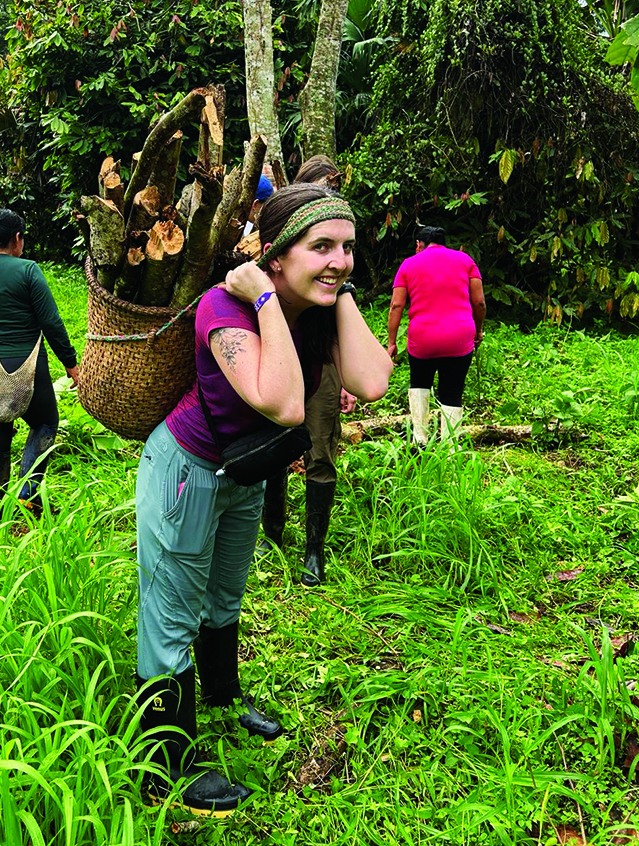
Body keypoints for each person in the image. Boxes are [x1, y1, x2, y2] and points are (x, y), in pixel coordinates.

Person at [135, 184, 393, 816]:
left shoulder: (321, 305)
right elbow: (281, 402)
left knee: (224, 595)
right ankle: (163, 764)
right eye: (321, 247)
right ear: (276, 256)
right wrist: (269, 300)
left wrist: (340, 291)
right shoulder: (223, 308)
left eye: (348, 248)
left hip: (246, 472)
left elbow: (373, 380)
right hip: (186, 471)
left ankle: (222, 699)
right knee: (173, 613)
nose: (339, 260)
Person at [260, 154, 356, 588]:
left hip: (322, 359)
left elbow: (345, 326)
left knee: (321, 451)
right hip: (281, 356)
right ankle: (272, 532)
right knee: (275, 449)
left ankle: (314, 549)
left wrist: (343, 376)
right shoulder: (289, 239)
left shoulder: (337, 249)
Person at [0, 206, 79, 517]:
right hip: (29, 365)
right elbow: (51, 322)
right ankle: (29, 496)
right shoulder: (28, 271)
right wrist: (70, 363)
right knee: (45, 423)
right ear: (17, 239)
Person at [386, 225, 486, 445]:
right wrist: (478, 330)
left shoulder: (408, 264)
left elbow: (396, 305)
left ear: (419, 245)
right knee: (452, 391)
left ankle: (419, 440)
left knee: (420, 383)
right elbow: (479, 302)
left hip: (422, 338)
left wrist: (391, 342)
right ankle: (450, 446)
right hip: (459, 336)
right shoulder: (465, 261)